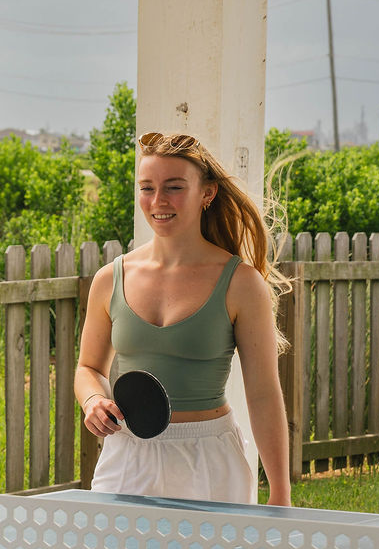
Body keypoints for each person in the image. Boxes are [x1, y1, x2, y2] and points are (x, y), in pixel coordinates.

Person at [73, 131, 291, 505]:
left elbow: (263, 393)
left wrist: (281, 493)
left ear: (207, 193)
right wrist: (93, 399)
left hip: (208, 457)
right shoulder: (110, 278)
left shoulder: (241, 284)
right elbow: (88, 367)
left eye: (173, 187)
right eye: (147, 187)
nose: (158, 201)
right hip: (127, 455)